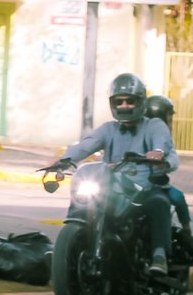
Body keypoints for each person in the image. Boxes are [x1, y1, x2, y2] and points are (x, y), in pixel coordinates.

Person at [49, 74, 180, 276]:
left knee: (159, 202)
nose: (125, 105)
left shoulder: (153, 125)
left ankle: (159, 255)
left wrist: (158, 153)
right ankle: (72, 245)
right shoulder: (108, 129)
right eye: (119, 101)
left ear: (141, 102)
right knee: (87, 200)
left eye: (130, 101)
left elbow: (161, 140)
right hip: (115, 188)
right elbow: (87, 144)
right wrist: (65, 160)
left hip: (144, 189)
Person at [144, 94, 192, 255]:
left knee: (178, 197)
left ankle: (186, 231)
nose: (171, 123)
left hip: (159, 186)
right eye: (169, 119)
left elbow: (173, 157)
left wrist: (166, 163)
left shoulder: (165, 139)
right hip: (135, 185)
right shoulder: (140, 133)